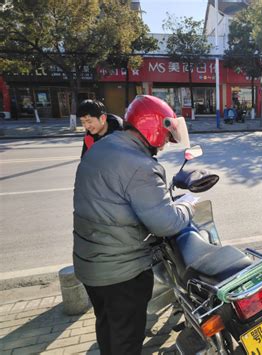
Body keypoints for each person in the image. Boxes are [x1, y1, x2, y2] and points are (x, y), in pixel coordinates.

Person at [73, 95, 194, 355]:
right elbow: (166, 223)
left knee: (107, 326)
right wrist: (188, 206)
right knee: (127, 340)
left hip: (89, 264)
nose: (163, 144)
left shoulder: (101, 148)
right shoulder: (139, 165)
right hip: (121, 273)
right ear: (152, 128)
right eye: (164, 135)